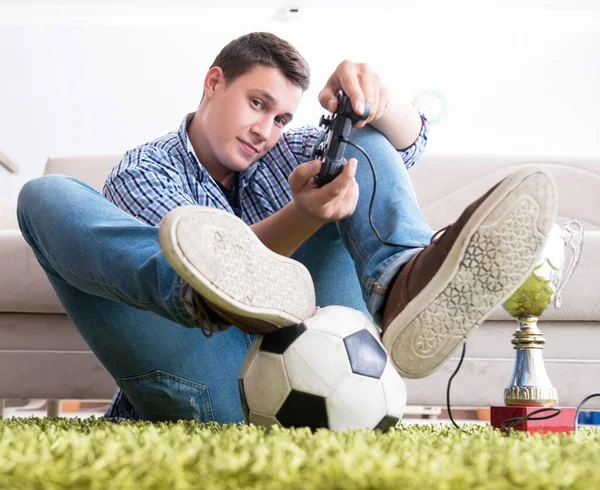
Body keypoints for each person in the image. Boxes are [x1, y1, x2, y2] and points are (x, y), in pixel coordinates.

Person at [17, 32, 557, 423]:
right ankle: (203, 290)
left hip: (327, 374)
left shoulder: (292, 151)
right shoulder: (146, 171)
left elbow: (406, 143)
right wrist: (300, 216)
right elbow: (215, 271)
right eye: (257, 104)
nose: (266, 131)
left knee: (359, 143)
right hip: (209, 386)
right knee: (46, 196)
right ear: (212, 83)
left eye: (281, 119)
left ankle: (401, 283)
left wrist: (375, 103)